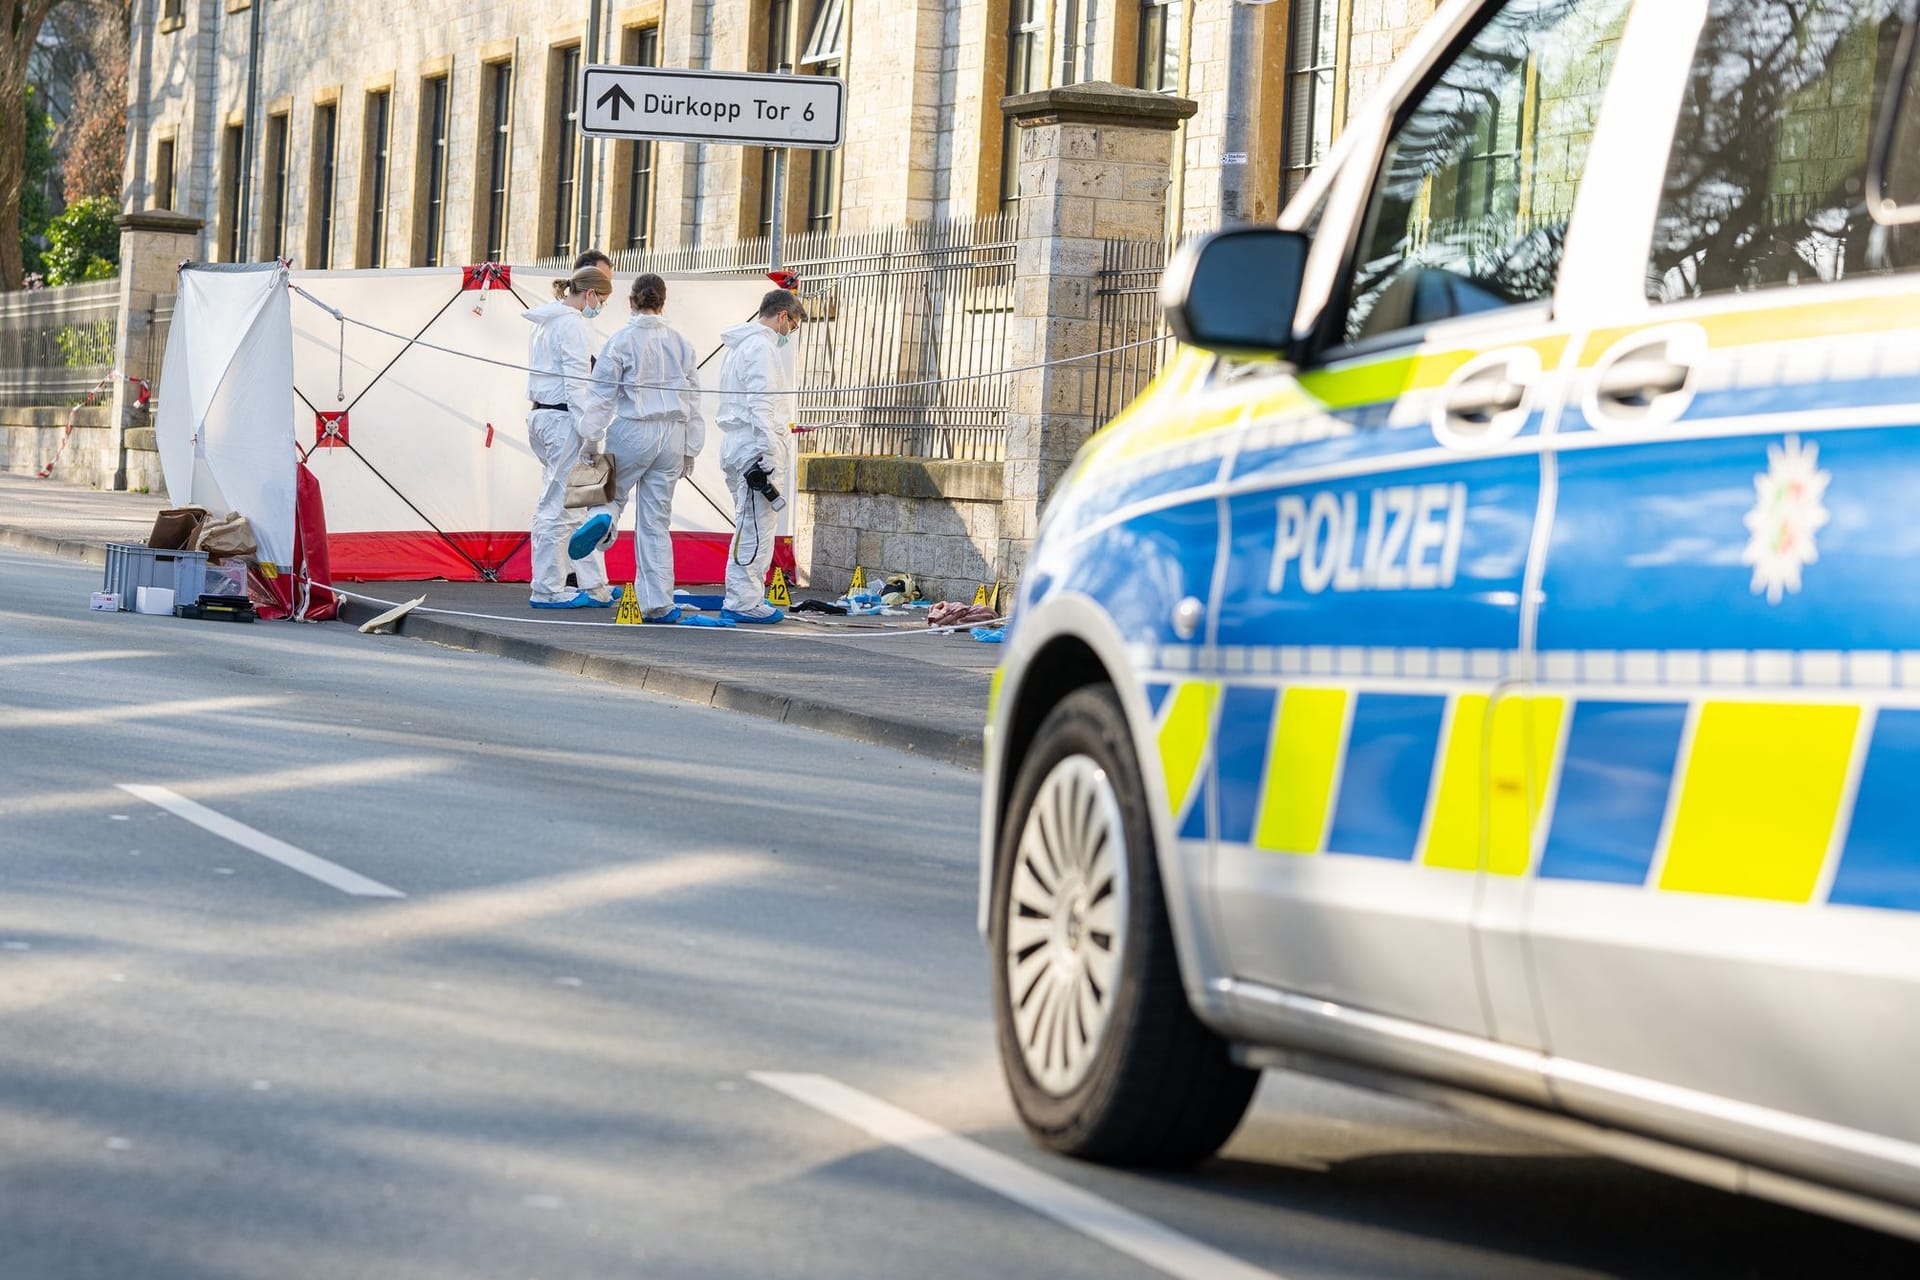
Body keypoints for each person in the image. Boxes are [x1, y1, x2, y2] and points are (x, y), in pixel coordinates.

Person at [572, 273, 704, 623]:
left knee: (601, 493)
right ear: (663, 302)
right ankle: (658, 602)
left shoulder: (619, 341)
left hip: (632, 426)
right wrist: (691, 447)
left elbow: (601, 397)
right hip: (673, 433)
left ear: (631, 301)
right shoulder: (682, 343)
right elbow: (694, 397)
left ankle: (601, 517)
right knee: (656, 522)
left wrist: (590, 439)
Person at [523, 261, 618, 609]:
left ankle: (592, 585)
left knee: (568, 502)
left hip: (542, 416)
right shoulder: (573, 326)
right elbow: (577, 385)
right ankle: (547, 588)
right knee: (560, 507)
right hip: (564, 419)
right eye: (602, 300)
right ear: (590, 294)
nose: (601, 308)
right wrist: (592, 435)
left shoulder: (545, 323)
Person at [714, 288, 804, 624]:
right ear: (783, 316)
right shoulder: (762, 347)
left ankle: (743, 595)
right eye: (792, 326)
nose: (789, 334)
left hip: (738, 443)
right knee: (755, 527)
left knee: (746, 522)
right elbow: (761, 403)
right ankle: (743, 600)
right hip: (754, 447)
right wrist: (769, 449)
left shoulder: (739, 347)